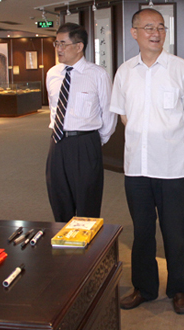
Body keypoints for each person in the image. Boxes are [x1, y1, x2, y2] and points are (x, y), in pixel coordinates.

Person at [110, 8, 184, 315]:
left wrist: (168, 140)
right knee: (142, 231)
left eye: (161, 27)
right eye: (148, 27)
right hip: (137, 166)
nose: (156, 33)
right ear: (134, 33)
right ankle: (144, 288)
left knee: (174, 231)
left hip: (173, 166)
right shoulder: (125, 72)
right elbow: (124, 116)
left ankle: (179, 289)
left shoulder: (179, 68)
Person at [45, 23, 116, 223]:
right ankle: (64, 239)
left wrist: (95, 141)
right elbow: (53, 109)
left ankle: (88, 242)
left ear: (79, 46)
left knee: (87, 202)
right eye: (56, 43)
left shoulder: (97, 74)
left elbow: (108, 113)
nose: (59, 49)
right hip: (57, 143)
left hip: (85, 143)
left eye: (63, 44)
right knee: (59, 199)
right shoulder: (52, 73)